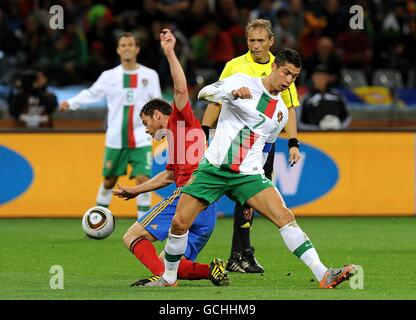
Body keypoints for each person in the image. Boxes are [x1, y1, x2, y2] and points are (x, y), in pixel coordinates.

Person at [143, 48, 356, 288]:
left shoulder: (280, 114)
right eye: (286, 72)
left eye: (294, 77)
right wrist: (231, 95)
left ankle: (323, 274)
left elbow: (265, 149)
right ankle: (168, 279)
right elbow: (204, 93)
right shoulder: (242, 81)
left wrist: (254, 192)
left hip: (248, 175)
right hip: (213, 168)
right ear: (274, 66)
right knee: (179, 223)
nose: (288, 80)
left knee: (285, 218)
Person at [112, 29, 229, 287]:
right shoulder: (177, 140)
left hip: (188, 196)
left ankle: (164, 281)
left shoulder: (180, 120)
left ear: (157, 115)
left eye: (146, 123)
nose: (146, 130)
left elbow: (179, 88)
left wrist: (169, 52)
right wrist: (135, 190)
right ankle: (212, 270)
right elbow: (168, 175)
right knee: (173, 264)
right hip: (207, 208)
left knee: (132, 237)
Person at [201, 19, 301, 274]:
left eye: (260, 40)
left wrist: (292, 142)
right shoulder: (235, 67)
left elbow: (288, 110)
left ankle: (241, 252)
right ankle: (229, 252)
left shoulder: (283, 68)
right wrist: (203, 131)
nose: (255, 46)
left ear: (271, 42)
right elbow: (216, 99)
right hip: (234, 141)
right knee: (210, 196)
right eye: (251, 40)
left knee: (249, 203)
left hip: (262, 144)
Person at [60, 33, 162, 218]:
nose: (127, 48)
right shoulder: (109, 76)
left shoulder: (150, 75)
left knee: (143, 179)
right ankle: (98, 218)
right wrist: (72, 103)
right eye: (123, 45)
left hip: (141, 136)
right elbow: (91, 93)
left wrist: (163, 126)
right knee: (109, 181)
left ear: (137, 49)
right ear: (118, 49)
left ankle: (143, 223)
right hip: (116, 138)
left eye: (130, 44)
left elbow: (157, 102)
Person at [298, 64, 351, 130]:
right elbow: (300, 123)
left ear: (328, 78)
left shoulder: (338, 96)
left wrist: (339, 127)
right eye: (317, 76)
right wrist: (319, 130)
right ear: (312, 77)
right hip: (313, 137)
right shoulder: (305, 99)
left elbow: (347, 117)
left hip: (337, 136)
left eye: (323, 76)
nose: (320, 79)